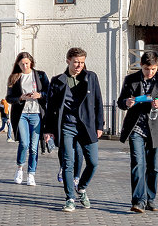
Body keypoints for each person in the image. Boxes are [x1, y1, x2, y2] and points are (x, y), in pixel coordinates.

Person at [43, 47, 104, 213]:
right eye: (76, 62)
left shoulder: (91, 77)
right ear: (68, 60)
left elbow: (98, 101)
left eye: (82, 62)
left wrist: (100, 125)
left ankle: (81, 188)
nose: (79, 65)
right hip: (66, 126)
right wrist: (48, 129)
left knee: (93, 163)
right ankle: (70, 198)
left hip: (87, 126)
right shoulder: (57, 80)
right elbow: (51, 107)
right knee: (68, 163)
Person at [118, 51, 158, 213]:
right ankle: (138, 201)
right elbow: (120, 102)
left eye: (153, 69)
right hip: (136, 128)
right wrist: (126, 102)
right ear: (141, 66)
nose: (149, 72)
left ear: (157, 67)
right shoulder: (131, 79)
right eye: (146, 69)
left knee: (154, 167)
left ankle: (150, 198)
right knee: (137, 163)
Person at [6, 51, 49, 186]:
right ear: (18, 64)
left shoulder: (40, 75)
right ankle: (20, 168)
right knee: (24, 143)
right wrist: (21, 98)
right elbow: (9, 98)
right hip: (22, 114)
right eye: (22, 64)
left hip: (36, 113)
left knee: (34, 147)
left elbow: (49, 93)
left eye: (27, 63)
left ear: (31, 62)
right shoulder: (14, 77)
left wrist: (40, 95)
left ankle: (31, 174)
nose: (25, 66)